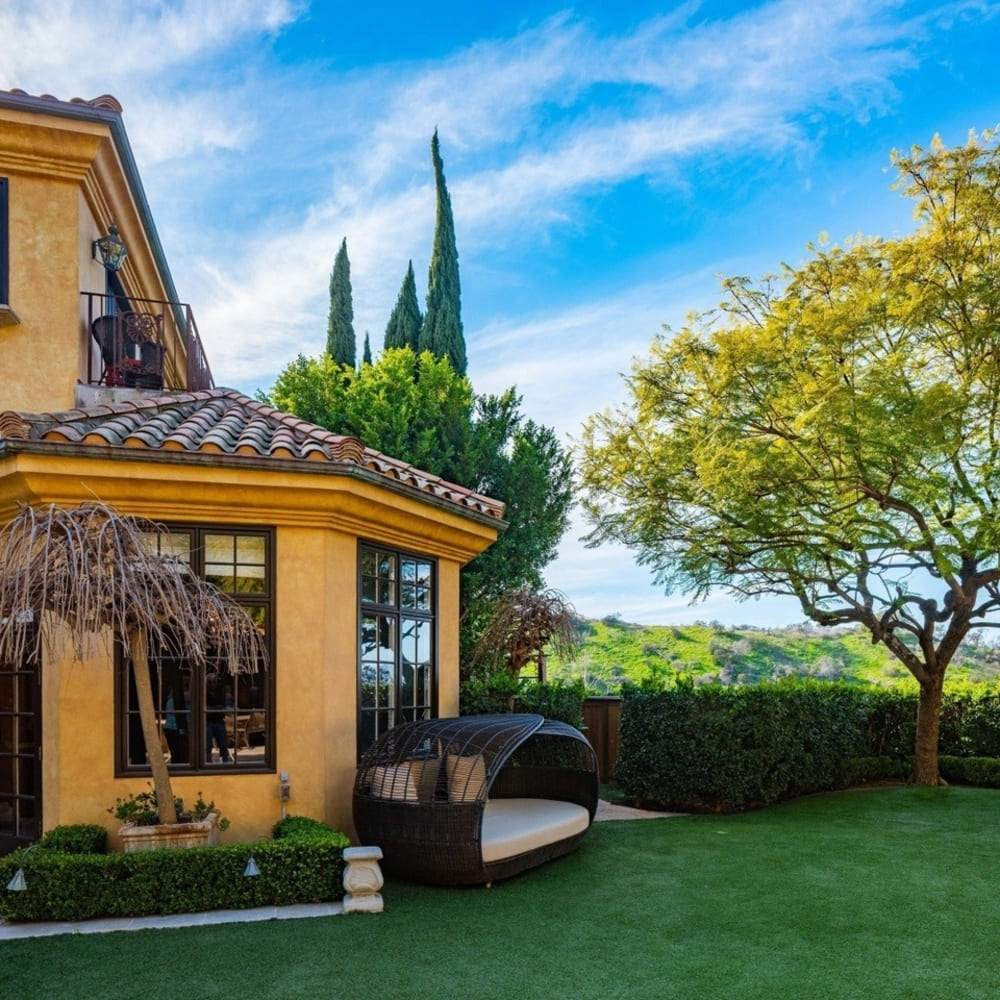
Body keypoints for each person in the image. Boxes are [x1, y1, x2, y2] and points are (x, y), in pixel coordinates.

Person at [205, 671, 231, 763]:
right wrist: (216, 708)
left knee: (223, 744)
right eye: (210, 682)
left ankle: (224, 763)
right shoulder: (204, 694)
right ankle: (207, 764)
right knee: (207, 746)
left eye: (214, 682)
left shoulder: (220, 693)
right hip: (208, 722)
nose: (213, 684)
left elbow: (223, 706)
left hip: (219, 720)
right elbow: (204, 708)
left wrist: (212, 708)